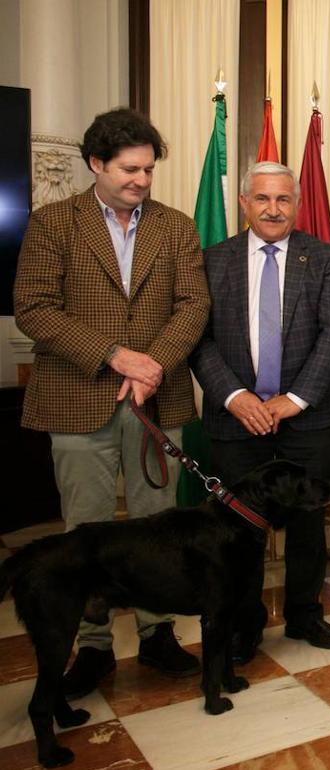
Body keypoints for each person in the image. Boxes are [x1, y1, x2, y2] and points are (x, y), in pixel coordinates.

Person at [13, 107, 209, 697]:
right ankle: (94, 648)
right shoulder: (52, 223)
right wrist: (117, 356)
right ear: (96, 163)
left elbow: (193, 305)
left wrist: (154, 366)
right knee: (87, 531)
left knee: (159, 527)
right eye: (129, 169)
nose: (142, 181)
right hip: (78, 397)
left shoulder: (175, 227)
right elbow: (34, 307)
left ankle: (156, 635)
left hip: (158, 398)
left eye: (149, 170)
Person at [189, 161, 330, 656]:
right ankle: (246, 624)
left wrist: (294, 399)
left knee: (307, 525)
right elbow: (200, 340)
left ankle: (305, 615)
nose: (273, 208)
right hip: (236, 420)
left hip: (308, 418)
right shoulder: (211, 260)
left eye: (283, 199)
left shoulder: (324, 257)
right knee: (240, 531)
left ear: (297, 204)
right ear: (244, 204)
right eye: (262, 199)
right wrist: (236, 397)